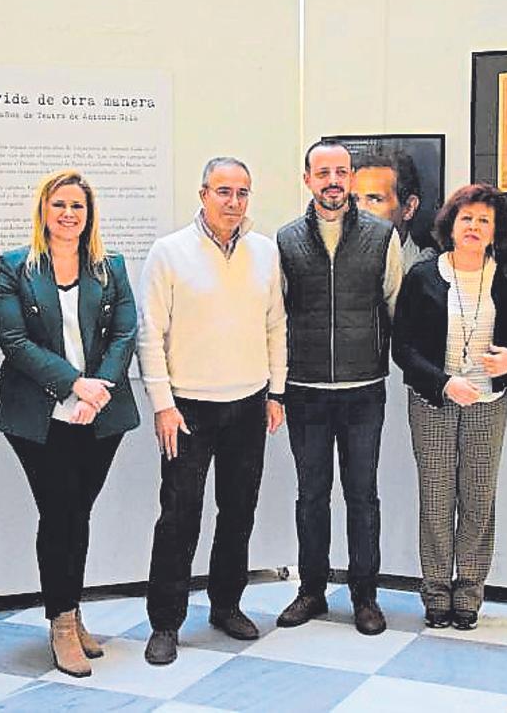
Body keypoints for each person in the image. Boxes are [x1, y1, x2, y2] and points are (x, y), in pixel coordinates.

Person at [0, 170, 140, 678]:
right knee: (59, 514)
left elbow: (124, 333)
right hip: (40, 414)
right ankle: (60, 623)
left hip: (100, 413)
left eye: (77, 206)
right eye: (60, 205)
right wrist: (76, 384)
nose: (69, 215)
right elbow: (14, 341)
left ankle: (71, 611)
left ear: (89, 214)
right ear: (43, 211)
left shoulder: (110, 267)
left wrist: (99, 390)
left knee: (79, 513)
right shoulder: (15, 267)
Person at [137, 157, 286, 665]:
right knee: (179, 517)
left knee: (238, 511)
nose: (233, 202)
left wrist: (277, 392)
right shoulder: (169, 253)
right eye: (223, 191)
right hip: (188, 410)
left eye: (242, 192)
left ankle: (226, 605)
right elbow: (149, 334)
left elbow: (275, 327)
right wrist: (163, 405)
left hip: (248, 403)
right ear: (203, 194)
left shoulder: (265, 253)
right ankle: (165, 624)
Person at [392, 183, 507, 631]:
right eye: (468, 219)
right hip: (433, 401)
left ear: (496, 229)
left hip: (490, 401)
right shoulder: (423, 276)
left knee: (479, 497)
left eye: (485, 220)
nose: (475, 227)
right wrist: (444, 383)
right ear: (451, 224)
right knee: (437, 496)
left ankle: (470, 593)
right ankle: (436, 591)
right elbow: (402, 347)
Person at [275, 139, 403, 636]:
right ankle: (311, 591)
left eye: (341, 172)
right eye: (322, 172)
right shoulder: (284, 241)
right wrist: (275, 387)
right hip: (304, 389)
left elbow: (395, 307)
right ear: (307, 179)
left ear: (351, 178)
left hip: (364, 390)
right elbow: (275, 317)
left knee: (362, 496)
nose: (333, 180)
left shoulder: (381, 236)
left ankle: (365, 596)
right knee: (310, 496)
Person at [352, 150, 436, 270]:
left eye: (375, 199)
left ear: (408, 208)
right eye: (354, 200)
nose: (359, 211)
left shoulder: (429, 276)